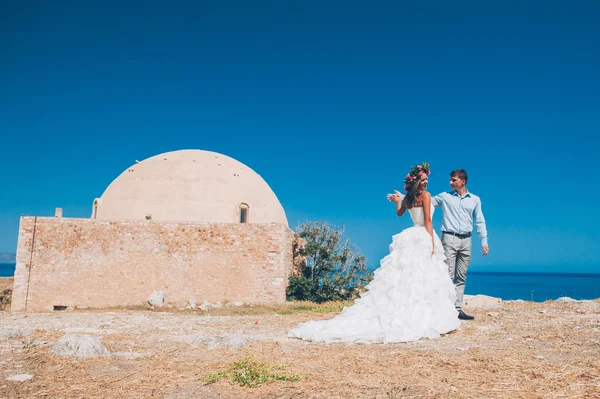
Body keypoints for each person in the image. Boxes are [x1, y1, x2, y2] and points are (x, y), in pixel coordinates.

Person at [287, 163, 459, 343]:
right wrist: (432, 242)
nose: (426, 183)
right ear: (416, 181)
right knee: (422, 275)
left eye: (426, 180)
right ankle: (423, 316)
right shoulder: (426, 196)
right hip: (423, 235)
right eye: (423, 180)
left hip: (411, 236)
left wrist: (398, 201)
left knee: (410, 275)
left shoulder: (408, 198)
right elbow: (428, 220)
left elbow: (400, 214)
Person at [431, 169, 489, 320]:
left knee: (461, 276)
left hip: (467, 240)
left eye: (454, 180)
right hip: (449, 238)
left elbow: (479, 220)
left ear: (463, 182)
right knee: (447, 274)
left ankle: (457, 310)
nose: (450, 183)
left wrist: (483, 240)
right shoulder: (445, 197)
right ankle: (444, 309)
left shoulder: (475, 199)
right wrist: (404, 198)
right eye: (450, 180)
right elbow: (425, 201)